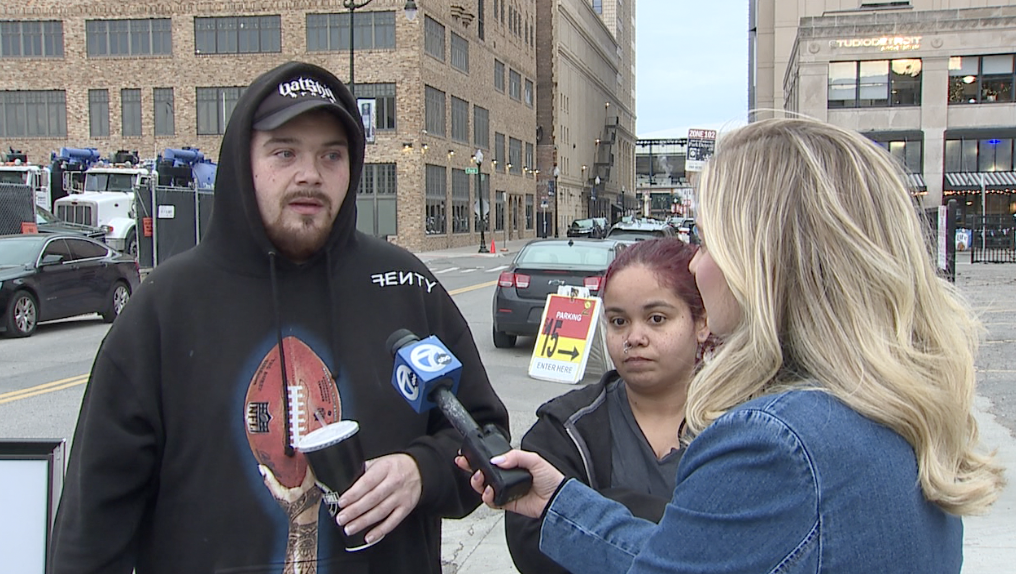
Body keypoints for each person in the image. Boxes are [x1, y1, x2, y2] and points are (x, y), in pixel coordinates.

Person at [460, 117, 1006, 573]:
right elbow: (686, 557)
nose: (695, 263)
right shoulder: (896, 410)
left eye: (706, 240)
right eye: (619, 320)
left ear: (763, 261)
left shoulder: (774, 443)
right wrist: (560, 502)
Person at [50, 61, 510, 574]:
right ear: (243, 161)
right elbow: (93, 526)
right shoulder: (165, 309)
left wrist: (421, 472)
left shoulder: (406, 286)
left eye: (330, 155)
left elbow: (487, 435)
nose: (310, 174)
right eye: (284, 152)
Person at [505, 238, 711, 573]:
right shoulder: (563, 430)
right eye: (618, 321)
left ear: (701, 322)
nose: (634, 337)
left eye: (656, 319)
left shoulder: (744, 425)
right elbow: (533, 541)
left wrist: (583, 509)